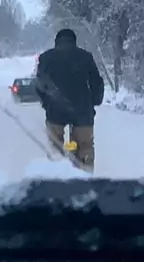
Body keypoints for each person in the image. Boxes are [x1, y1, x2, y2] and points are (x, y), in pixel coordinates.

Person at [35, 28, 104, 170]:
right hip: (82, 111)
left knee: (55, 146)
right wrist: (94, 101)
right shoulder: (86, 57)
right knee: (85, 146)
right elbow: (97, 82)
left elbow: (39, 85)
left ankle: (58, 176)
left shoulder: (46, 58)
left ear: (56, 42)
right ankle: (85, 177)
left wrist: (46, 103)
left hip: (55, 110)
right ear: (74, 41)